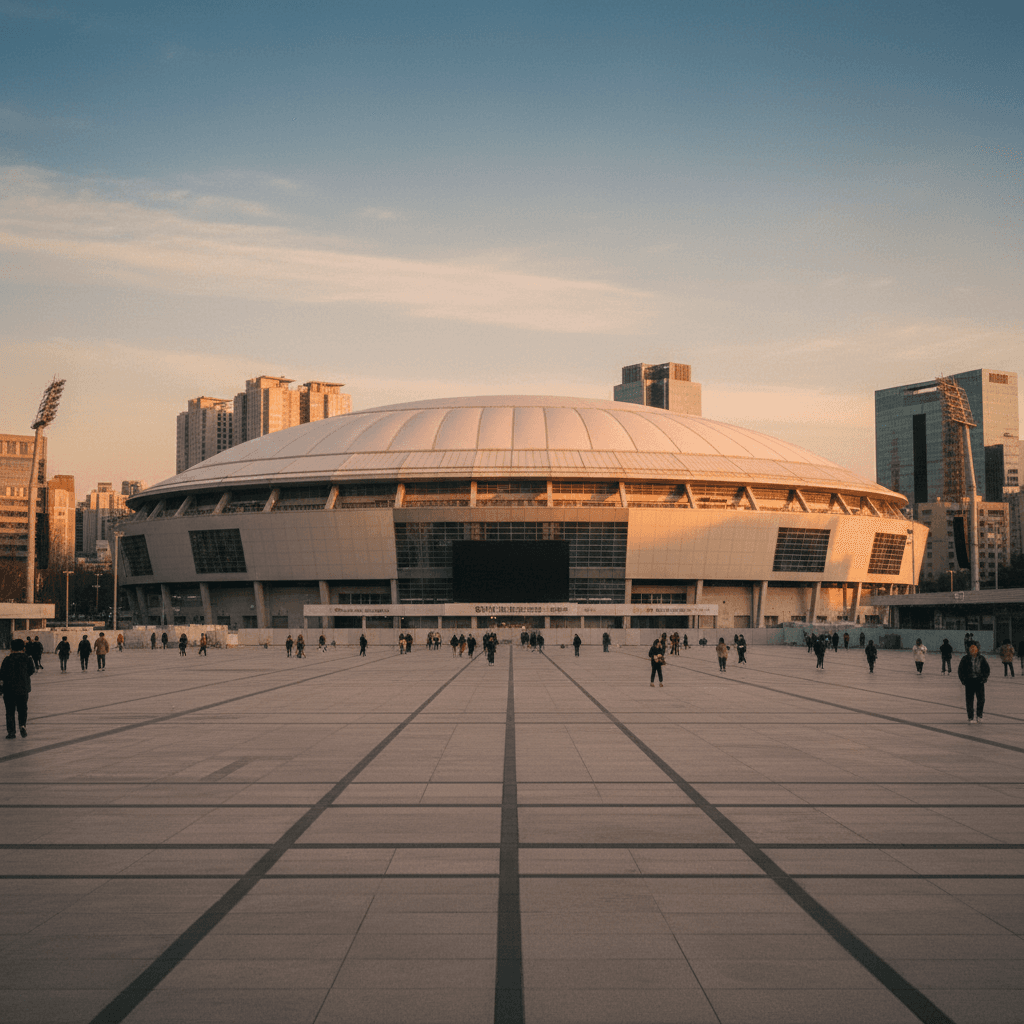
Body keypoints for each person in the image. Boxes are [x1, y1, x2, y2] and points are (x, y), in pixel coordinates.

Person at [0, 638, 34, 738]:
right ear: (23, 648)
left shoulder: (7, 660)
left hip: (9, 690)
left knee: (10, 711)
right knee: (22, 709)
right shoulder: (27, 659)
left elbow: (1, 675)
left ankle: (11, 732)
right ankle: (22, 725)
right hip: (23, 689)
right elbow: (31, 671)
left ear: (11, 648)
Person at [957, 641, 990, 723]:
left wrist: (984, 678)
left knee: (981, 699)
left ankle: (979, 715)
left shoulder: (981, 658)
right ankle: (970, 717)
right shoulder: (965, 659)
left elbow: (987, 669)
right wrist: (963, 680)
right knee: (969, 700)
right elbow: (960, 670)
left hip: (979, 681)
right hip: (969, 682)